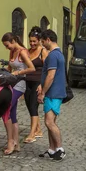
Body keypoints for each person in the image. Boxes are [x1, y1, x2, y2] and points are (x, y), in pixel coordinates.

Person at [2, 32, 35, 155]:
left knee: (6, 109)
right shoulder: (12, 51)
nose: (7, 48)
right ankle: (16, 143)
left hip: (20, 84)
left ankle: (11, 141)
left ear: (13, 41)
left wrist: (18, 73)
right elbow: (10, 68)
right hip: (11, 83)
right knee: (12, 112)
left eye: (7, 45)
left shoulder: (22, 52)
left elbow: (32, 68)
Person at [37, 29, 67, 161]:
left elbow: (51, 75)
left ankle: (60, 149)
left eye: (43, 42)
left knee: (49, 122)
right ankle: (52, 149)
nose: (42, 45)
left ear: (48, 39)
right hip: (55, 92)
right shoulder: (59, 54)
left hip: (53, 93)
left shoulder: (53, 56)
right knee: (50, 121)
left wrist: (43, 92)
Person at [24, 26, 48, 143]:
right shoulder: (28, 51)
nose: (32, 43)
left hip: (37, 83)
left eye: (34, 41)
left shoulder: (43, 52)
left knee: (33, 106)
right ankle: (38, 130)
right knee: (29, 106)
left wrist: (42, 84)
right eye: (30, 41)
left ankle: (32, 134)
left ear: (39, 41)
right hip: (27, 82)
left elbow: (47, 69)